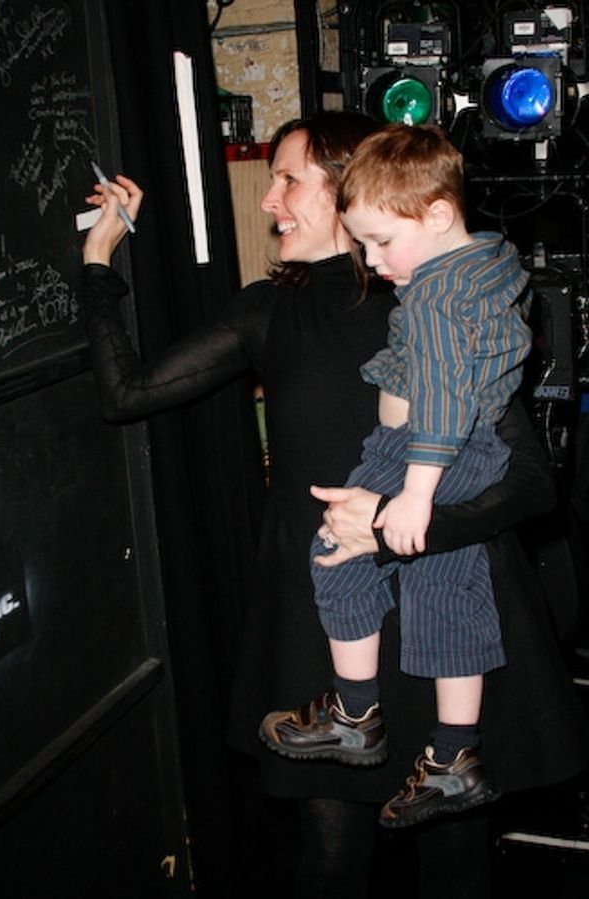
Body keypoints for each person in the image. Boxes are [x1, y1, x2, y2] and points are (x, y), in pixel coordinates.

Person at [80, 111, 589, 899]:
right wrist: (98, 260)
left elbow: (530, 483)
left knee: (453, 867)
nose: (268, 199)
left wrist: (394, 531)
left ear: (350, 183)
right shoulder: (268, 307)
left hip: (444, 611)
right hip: (327, 632)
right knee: (329, 863)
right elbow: (126, 392)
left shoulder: (438, 298)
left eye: (288, 179)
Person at [259, 124, 533, 829]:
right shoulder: (486, 259)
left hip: (420, 449)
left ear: (438, 215)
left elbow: (440, 396)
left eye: (382, 241)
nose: (375, 260)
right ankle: (452, 758)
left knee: (337, 556)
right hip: (471, 454)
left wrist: (413, 491)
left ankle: (355, 712)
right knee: (444, 596)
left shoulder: (437, 296)